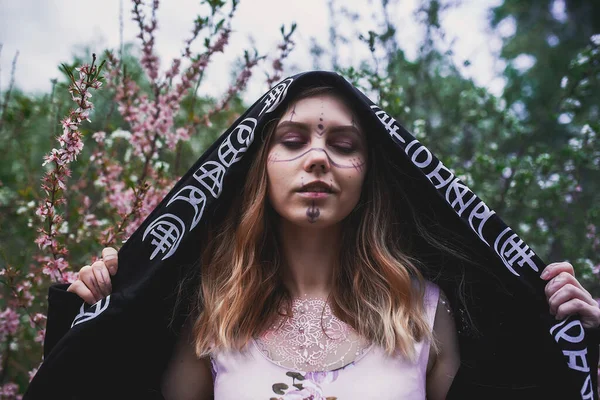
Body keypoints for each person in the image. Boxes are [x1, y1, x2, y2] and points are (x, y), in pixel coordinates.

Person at [25, 72, 600, 400]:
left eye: (345, 146)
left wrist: (577, 340)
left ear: (368, 176)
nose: (319, 157)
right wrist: (97, 320)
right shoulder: (214, 313)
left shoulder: (423, 310)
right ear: (259, 165)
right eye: (293, 140)